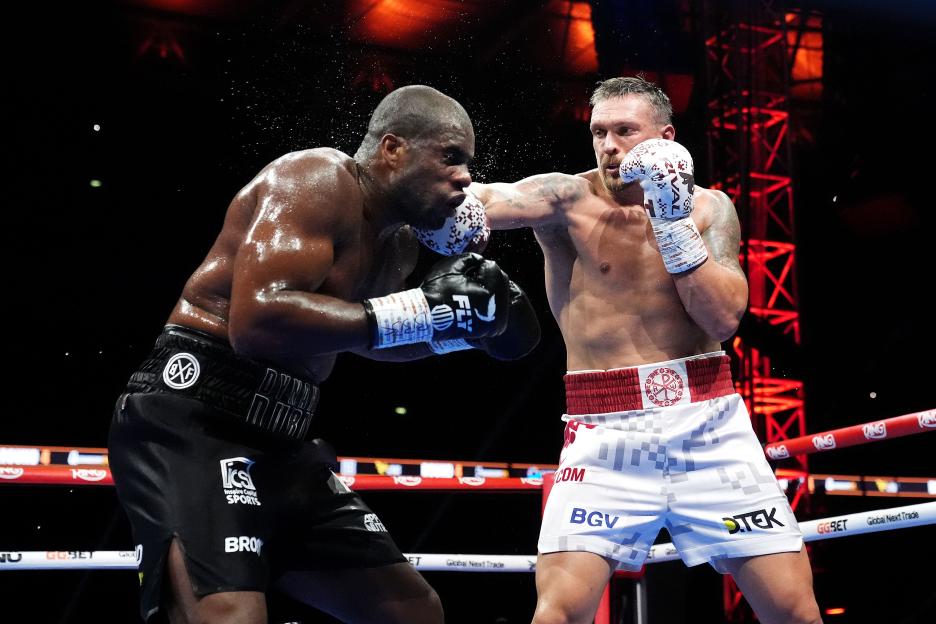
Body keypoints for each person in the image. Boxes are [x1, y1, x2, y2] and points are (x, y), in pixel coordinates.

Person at [108, 84, 540, 624]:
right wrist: (415, 313)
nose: (465, 177)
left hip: (284, 439)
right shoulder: (317, 179)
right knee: (231, 617)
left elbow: (364, 338)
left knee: (412, 613)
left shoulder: (398, 242)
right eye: (451, 157)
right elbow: (257, 320)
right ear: (393, 149)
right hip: (193, 422)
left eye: (469, 164)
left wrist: (451, 331)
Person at [470, 76, 822, 624]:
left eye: (625, 131)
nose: (609, 146)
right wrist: (448, 205)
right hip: (604, 432)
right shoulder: (567, 199)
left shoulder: (710, 210)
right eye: (598, 132)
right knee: (557, 611)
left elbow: (723, 319)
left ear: (665, 136)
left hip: (710, 424)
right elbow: (494, 199)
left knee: (795, 610)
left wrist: (672, 221)